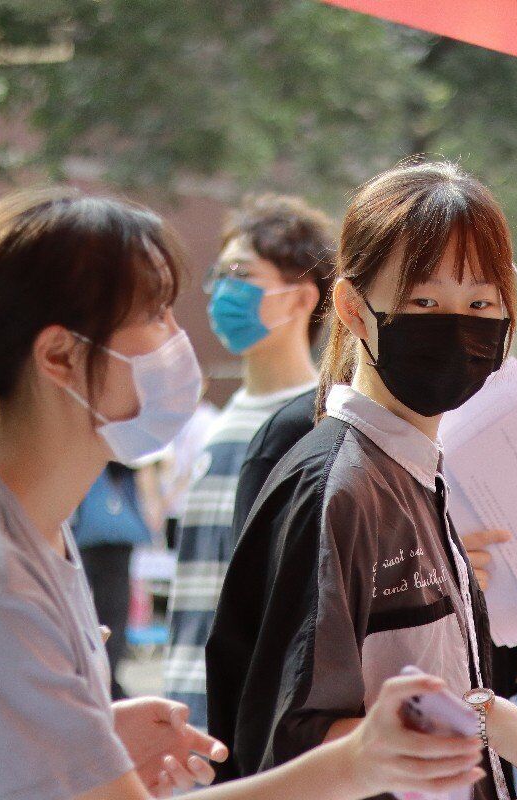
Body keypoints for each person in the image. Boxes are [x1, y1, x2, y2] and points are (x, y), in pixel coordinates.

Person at [0, 188, 489, 800]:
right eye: (154, 316)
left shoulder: (25, 524)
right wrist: (353, 764)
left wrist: (92, 738)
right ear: (59, 355)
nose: (177, 338)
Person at [205, 161, 517, 800]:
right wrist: (483, 721)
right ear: (353, 309)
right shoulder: (336, 489)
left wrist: (504, 725)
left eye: (481, 304)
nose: (457, 326)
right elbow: (288, 744)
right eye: (423, 302)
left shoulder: (415, 472)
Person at [164, 194, 335, 728]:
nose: (223, 291)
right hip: (187, 704)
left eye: (242, 274)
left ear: (301, 298)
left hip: (250, 716)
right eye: (220, 275)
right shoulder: (216, 426)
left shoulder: (319, 426)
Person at [72, 461, 159, 698]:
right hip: (115, 535)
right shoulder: (122, 451)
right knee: (114, 612)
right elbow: (142, 472)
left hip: (85, 530)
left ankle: (95, 677)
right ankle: (107, 679)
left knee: (84, 607)